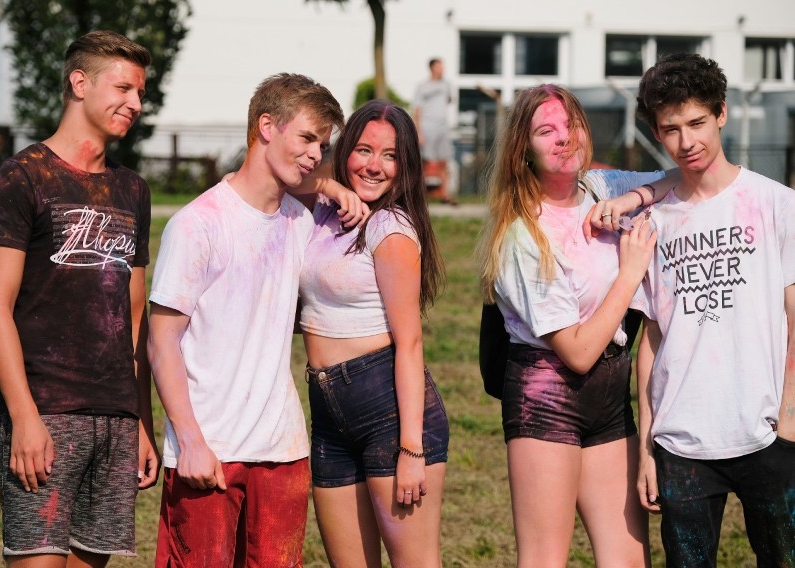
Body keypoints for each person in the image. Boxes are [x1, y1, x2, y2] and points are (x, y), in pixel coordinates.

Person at [148, 73, 368, 567]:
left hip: (283, 448)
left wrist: (333, 185)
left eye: (324, 144)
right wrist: (191, 442)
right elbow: (162, 344)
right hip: (209, 449)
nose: (316, 153)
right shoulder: (197, 223)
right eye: (307, 138)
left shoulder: (302, 221)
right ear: (266, 126)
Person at [0, 30, 159, 566]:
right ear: (79, 83)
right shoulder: (22, 177)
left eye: (141, 92)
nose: (135, 103)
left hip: (115, 420)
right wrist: (24, 416)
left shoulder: (134, 190)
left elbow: (135, 317)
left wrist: (141, 422)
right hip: (46, 414)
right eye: (123, 87)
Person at [476, 84, 670, 567]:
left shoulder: (600, 188)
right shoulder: (522, 232)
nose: (564, 138)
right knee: (545, 559)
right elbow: (578, 352)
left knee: (628, 560)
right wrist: (629, 273)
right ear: (524, 150)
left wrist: (635, 198)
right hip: (547, 396)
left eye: (571, 125)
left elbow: (679, 177)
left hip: (609, 393)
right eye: (547, 130)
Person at [628, 53, 795, 567]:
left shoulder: (776, 203)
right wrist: (647, 448)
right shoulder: (652, 222)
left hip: (767, 432)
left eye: (697, 122)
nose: (687, 142)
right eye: (670, 129)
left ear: (721, 113)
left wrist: (788, 422)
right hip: (682, 442)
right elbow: (651, 340)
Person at [296, 100, 449, 567]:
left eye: (389, 156)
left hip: (386, 408)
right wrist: (328, 184)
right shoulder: (325, 213)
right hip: (326, 410)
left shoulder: (391, 227)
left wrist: (411, 448)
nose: (374, 166)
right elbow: (283, 171)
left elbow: (410, 344)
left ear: (404, 167)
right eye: (364, 149)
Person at [413, 57, 456, 205]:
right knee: (425, 162)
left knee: (444, 161)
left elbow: (450, 101)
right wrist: (418, 131)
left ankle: (446, 196)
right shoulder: (423, 86)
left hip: (442, 128)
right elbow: (417, 108)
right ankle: (419, 196)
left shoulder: (447, 85)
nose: (442, 69)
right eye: (439, 66)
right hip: (427, 127)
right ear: (432, 68)